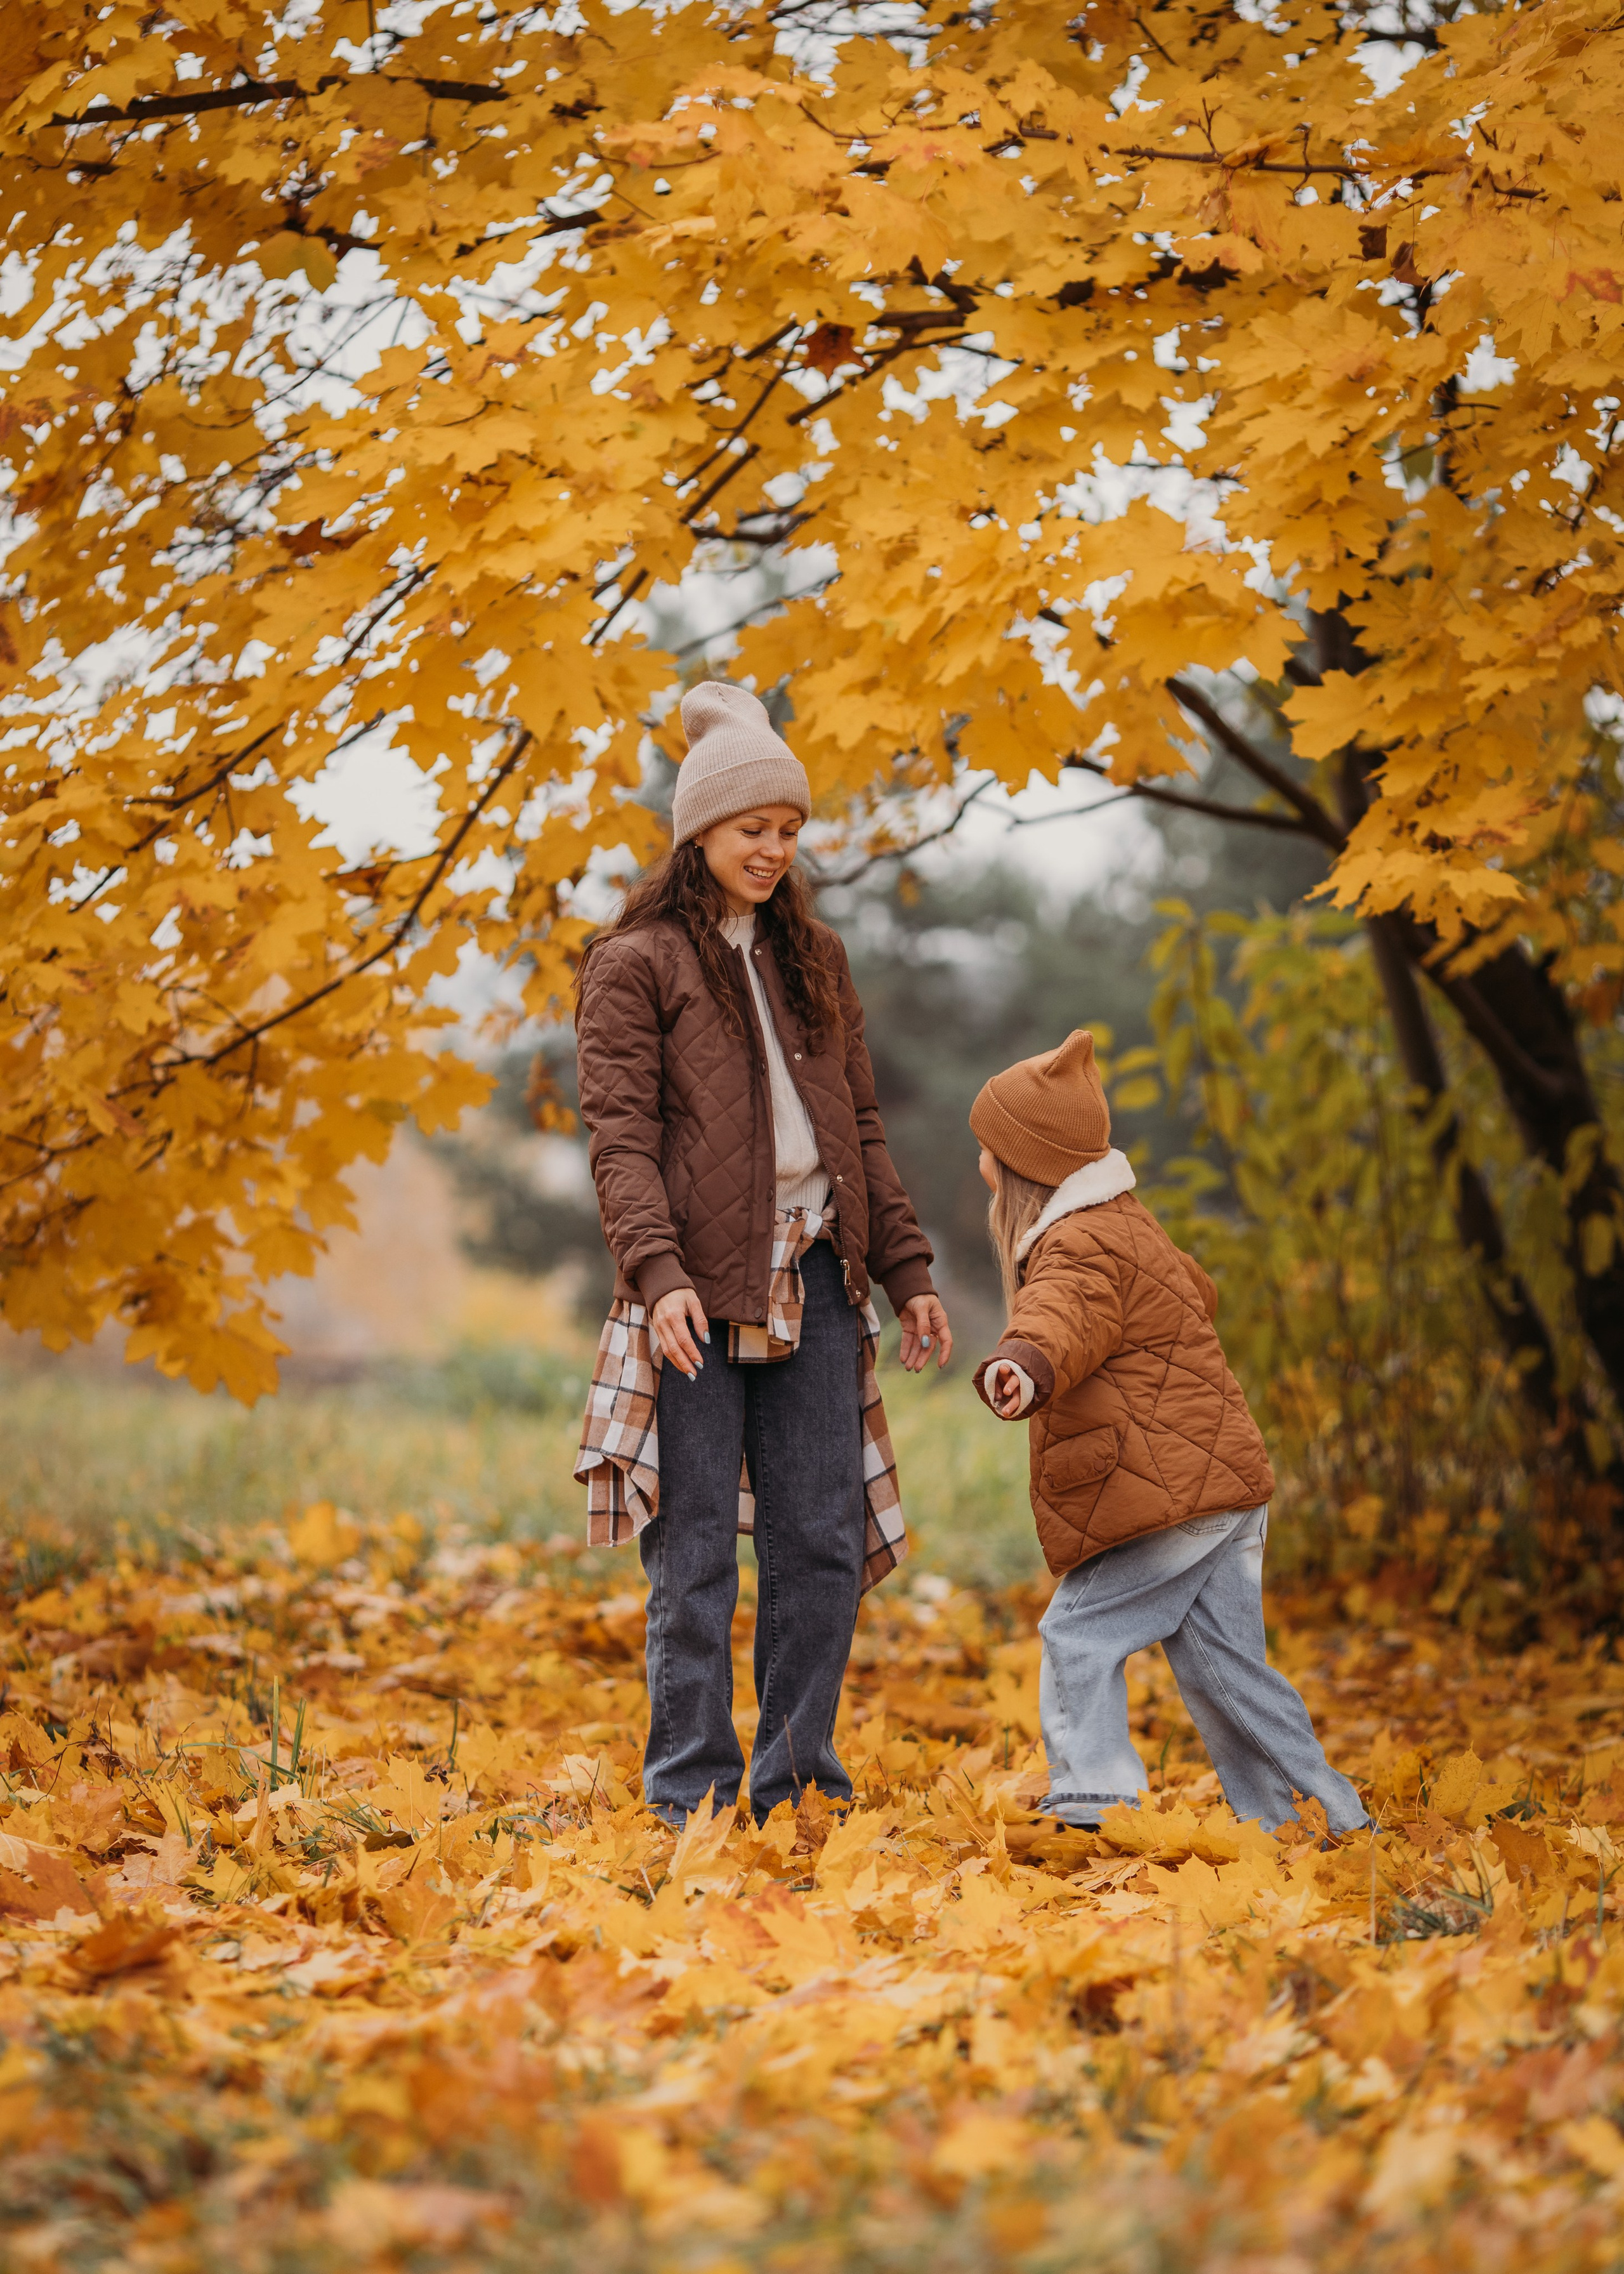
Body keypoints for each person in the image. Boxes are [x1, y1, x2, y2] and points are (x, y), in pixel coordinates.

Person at [573, 680, 952, 1826]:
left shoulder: (815, 958)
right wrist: (659, 1275)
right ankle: (690, 1790)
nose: (775, 849)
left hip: (819, 1277)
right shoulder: (633, 962)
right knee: (692, 1558)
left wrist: (911, 1272)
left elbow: (863, 1130)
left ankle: (798, 1784)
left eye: (788, 831)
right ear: (701, 832)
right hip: (694, 1294)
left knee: (822, 1544)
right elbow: (621, 1141)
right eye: (754, 830)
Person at [969, 1029, 1366, 1835]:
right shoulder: (1128, 1224)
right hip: (1222, 1486)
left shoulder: (1074, 1243)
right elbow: (1195, 1293)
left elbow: (1063, 1315)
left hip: (1174, 1499)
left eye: (989, 1149)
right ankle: (1303, 1816)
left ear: (1024, 1165)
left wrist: (1024, 1360)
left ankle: (1094, 1800)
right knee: (1227, 1671)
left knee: (1076, 1631)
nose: (981, 1161)